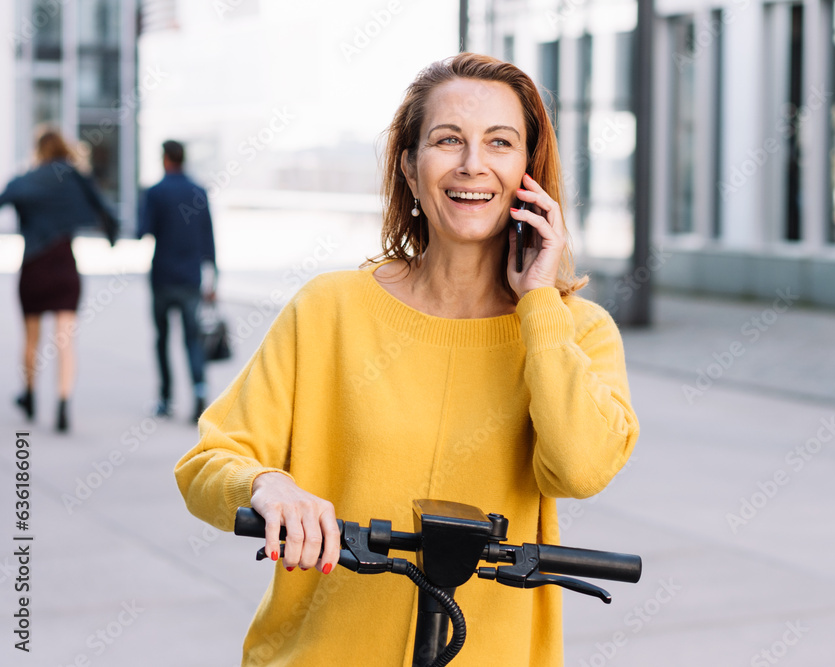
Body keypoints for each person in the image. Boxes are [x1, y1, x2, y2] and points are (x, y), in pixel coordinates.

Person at [174, 53, 639, 665]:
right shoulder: (329, 309)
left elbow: (580, 469)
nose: (474, 164)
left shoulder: (576, 331)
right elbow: (209, 460)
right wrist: (269, 485)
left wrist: (539, 305)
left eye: (500, 143)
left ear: (530, 172)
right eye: (449, 140)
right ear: (411, 170)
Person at [0, 127, 119, 432]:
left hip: (34, 267)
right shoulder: (75, 177)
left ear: (39, 149)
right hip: (65, 266)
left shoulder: (27, 178)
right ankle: (63, 403)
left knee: (31, 338)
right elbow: (105, 209)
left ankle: (29, 395)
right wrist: (111, 238)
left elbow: (6, 196)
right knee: (65, 340)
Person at [139, 140, 217, 422]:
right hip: (190, 279)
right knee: (192, 340)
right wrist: (214, 279)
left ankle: (165, 399)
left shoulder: (155, 192)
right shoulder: (198, 191)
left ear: (165, 159)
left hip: (162, 277)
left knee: (162, 339)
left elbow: (142, 230)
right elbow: (209, 237)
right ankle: (199, 393)